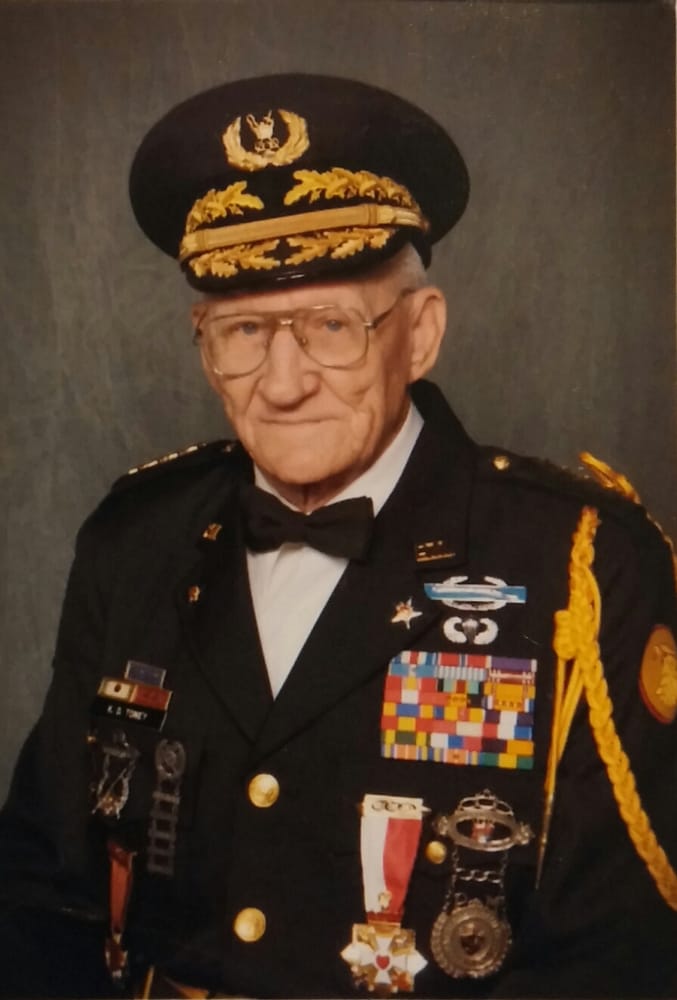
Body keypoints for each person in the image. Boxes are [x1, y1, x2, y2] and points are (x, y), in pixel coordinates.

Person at [1, 73, 676, 1000]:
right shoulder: (136, 538)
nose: (283, 384)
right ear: (203, 341)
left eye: (330, 325)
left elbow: (618, 959)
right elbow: (41, 892)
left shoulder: (581, 567)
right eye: (243, 330)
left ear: (420, 334)